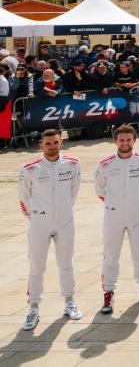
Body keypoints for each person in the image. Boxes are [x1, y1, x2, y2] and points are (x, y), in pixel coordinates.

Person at [19, 129, 82, 331]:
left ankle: (70, 302)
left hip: (65, 222)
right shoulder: (29, 169)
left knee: (66, 264)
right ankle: (33, 309)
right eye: (48, 144)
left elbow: (74, 191)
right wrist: (35, 217)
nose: (52, 147)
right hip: (39, 224)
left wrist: (63, 211)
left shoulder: (72, 164)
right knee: (37, 267)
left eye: (55, 143)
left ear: (61, 143)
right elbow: (23, 197)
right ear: (41, 146)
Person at [95, 124, 139, 313]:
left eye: (128, 140)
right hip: (113, 215)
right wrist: (115, 204)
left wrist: (135, 202)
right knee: (111, 254)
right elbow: (99, 189)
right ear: (115, 141)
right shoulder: (105, 164)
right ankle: (108, 293)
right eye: (121, 140)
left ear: (134, 141)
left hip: (137, 214)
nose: (125, 143)